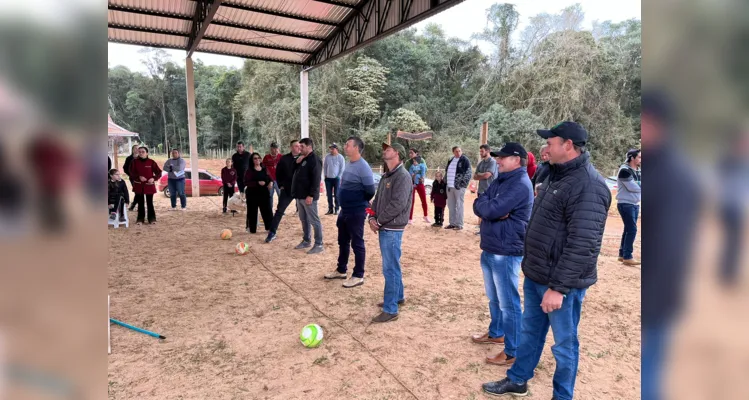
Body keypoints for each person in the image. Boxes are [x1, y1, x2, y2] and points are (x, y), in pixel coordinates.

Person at [482, 122, 611, 399]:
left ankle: (562, 396)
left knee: (564, 344)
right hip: (537, 274)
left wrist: (559, 287)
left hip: (561, 284)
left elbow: (583, 244)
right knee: (530, 332)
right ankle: (518, 380)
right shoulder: (554, 174)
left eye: (550, 142)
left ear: (567, 145)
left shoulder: (588, 185)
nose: (545, 148)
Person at [471, 143, 534, 367]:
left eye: (503, 158)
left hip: (506, 250)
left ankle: (512, 350)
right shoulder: (502, 179)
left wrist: (490, 210)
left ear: (517, 160)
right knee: (494, 297)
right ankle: (497, 332)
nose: (498, 160)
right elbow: (480, 203)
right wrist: (491, 210)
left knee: (509, 303)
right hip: (491, 246)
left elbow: (489, 209)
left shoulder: (519, 184)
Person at [368, 142, 413, 323]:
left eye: (388, 149)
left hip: (392, 228)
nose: (384, 151)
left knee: (390, 268)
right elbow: (377, 199)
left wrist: (378, 221)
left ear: (397, 154)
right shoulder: (388, 175)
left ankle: (391, 309)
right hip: (386, 226)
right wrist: (371, 217)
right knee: (392, 265)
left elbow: (397, 205)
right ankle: (397, 297)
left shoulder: (402, 176)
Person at [323, 137, 377, 288]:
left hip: (356, 210)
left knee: (357, 243)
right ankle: (341, 270)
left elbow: (370, 190)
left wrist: (359, 202)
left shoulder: (363, 166)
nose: (345, 147)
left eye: (348, 145)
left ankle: (358, 275)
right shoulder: (350, 163)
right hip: (345, 210)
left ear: (356, 148)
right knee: (343, 241)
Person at [291, 138, 324, 254]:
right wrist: (296, 162)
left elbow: (316, 179)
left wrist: (311, 195)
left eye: (302, 147)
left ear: (309, 147)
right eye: (299, 147)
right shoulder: (302, 158)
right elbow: (293, 171)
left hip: (308, 196)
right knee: (303, 219)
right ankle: (306, 240)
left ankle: (319, 244)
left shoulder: (314, 160)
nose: (299, 149)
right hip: (300, 195)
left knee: (314, 220)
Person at [265, 140, 301, 243]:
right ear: (291, 147)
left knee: (304, 212)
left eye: (299, 146)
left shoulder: (304, 158)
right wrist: (281, 185)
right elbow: (278, 172)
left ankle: (307, 234)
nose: (298, 148)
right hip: (287, 190)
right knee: (279, 211)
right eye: (296, 146)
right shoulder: (284, 159)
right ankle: (272, 232)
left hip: (301, 190)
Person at [616, 148, 642, 265]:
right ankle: (627, 256)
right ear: (632, 158)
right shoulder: (624, 171)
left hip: (635, 203)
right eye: (639, 157)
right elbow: (633, 187)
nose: (641, 159)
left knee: (628, 229)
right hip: (625, 204)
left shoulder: (638, 171)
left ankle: (622, 254)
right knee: (632, 229)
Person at [129, 146, 162, 225]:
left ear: (147, 153)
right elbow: (131, 173)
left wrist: (154, 178)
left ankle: (152, 219)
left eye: (143, 152)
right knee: (140, 203)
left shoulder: (151, 162)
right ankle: (140, 219)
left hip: (149, 185)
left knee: (150, 202)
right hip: (139, 185)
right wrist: (138, 177)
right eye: (139, 152)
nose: (141, 153)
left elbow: (159, 172)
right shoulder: (134, 162)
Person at [244, 153, 274, 234]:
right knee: (252, 212)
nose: (257, 160)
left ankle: (269, 228)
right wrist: (257, 183)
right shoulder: (249, 171)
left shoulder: (265, 169)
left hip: (264, 193)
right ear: (252, 160)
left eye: (258, 158)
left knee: (267, 211)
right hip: (252, 194)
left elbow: (270, 178)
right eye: (255, 158)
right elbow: (246, 182)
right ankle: (252, 229)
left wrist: (271, 182)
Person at [444, 146, 472, 230]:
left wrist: (462, 184)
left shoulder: (465, 160)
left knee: (459, 205)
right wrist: (445, 181)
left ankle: (459, 224)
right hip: (449, 186)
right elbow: (447, 172)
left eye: (460, 151)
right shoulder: (451, 159)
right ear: (453, 152)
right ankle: (452, 223)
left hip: (458, 187)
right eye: (456, 151)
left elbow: (468, 173)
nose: (458, 153)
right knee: (451, 205)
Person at [473, 144, 498, 234]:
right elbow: (474, 176)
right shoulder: (481, 163)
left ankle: (488, 230)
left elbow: (488, 175)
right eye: (480, 151)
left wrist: (480, 174)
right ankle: (482, 228)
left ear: (487, 151)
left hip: (490, 191)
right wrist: (482, 175)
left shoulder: (492, 162)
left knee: (489, 211)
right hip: (481, 190)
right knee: (481, 210)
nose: (480, 153)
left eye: (482, 151)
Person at [323, 143, 346, 215]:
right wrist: (325, 175)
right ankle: (330, 209)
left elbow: (342, 168)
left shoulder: (340, 157)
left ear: (336, 149)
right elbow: (325, 166)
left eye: (332, 149)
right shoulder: (327, 157)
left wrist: (338, 176)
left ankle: (337, 209)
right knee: (329, 195)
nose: (331, 150)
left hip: (337, 179)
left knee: (336, 194)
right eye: (330, 149)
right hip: (328, 179)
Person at [408, 156, 430, 224]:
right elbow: (410, 172)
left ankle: (425, 215)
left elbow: (423, 172)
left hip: (420, 183)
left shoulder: (422, 166)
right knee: (412, 201)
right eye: (413, 161)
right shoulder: (411, 166)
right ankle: (410, 218)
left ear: (418, 161)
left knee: (423, 199)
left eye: (415, 161)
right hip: (413, 183)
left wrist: (422, 177)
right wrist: (412, 175)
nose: (414, 162)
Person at [263, 142, 282, 211]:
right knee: (269, 195)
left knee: (280, 195)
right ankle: (269, 210)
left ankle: (280, 210)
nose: (276, 150)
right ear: (271, 149)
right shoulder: (266, 157)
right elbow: (263, 168)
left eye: (277, 148)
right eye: (274, 148)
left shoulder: (281, 157)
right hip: (269, 180)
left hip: (279, 180)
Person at [122, 144, 139, 210]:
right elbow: (125, 168)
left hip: (141, 178)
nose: (137, 150)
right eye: (135, 148)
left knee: (140, 192)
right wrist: (130, 174)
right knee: (137, 192)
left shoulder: (141, 157)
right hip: (133, 178)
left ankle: (134, 205)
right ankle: (133, 205)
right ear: (132, 150)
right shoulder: (129, 158)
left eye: (138, 148)